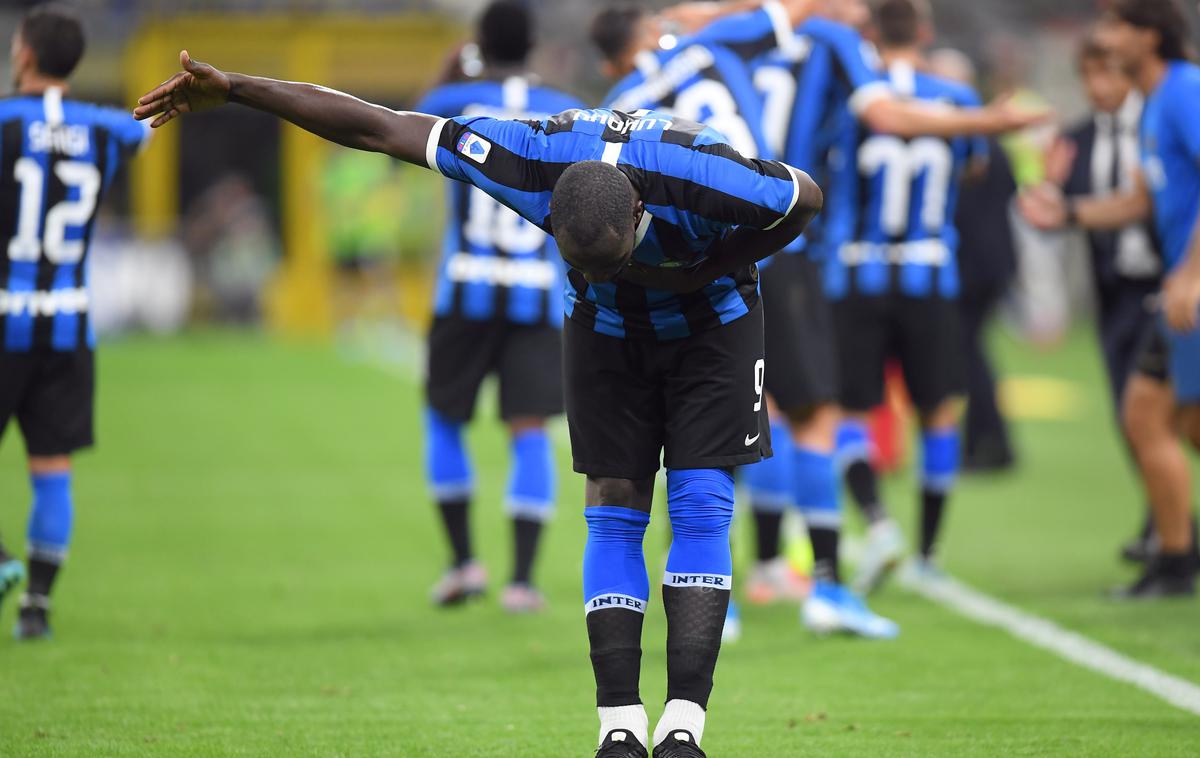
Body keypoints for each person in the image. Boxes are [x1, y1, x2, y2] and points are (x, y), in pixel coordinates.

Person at [133, 53, 823, 758]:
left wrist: (709, 268)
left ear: (643, 210)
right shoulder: (525, 160)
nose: (602, 270)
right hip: (605, 332)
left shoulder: (707, 176)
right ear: (548, 214)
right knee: (614, 502)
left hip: (714, 327)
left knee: (701, 501)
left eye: (612, 262)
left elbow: (806, 197)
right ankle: (618, 728)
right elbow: (379, 128)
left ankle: (683, 729)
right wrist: (242, 88)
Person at [1020, 0, 1200, 597]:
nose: (1105, 36)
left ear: (1148, 36)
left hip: (1188, 287)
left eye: (1117, 25)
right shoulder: (1153, 101)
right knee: (1170, 419)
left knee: (1147, 415)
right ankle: (1174, 558)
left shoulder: (1183, 90)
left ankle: (1174, 562)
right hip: (1178, 287)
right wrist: (1068, 211)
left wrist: (1191, 274)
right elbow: (1144, 201)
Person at [414, 1, 583, 613]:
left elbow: (408, 119)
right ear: (535, 46)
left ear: (478, 42)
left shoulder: (452, 100)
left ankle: (463, 565)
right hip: (537, 292)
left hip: (463, 285)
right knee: (530, 430)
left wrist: (450, 73)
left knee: (444, 419)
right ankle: (522, 581)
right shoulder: (565, 109)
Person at [822, 0, 987, 590]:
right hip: (929, 272)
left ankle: (876, 522)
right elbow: (971, 166)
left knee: (847, 412)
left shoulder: (849, 94)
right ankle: (928, 554)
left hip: (856, 273)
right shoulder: (957, 98)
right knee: (937, 412)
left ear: (868, 33)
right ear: (924, 31)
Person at [0, 5, 150, 640]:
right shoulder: (109, 130)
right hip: (69, 324)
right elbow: (141, 131)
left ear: (25, 55)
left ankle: (3, 561)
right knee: (52, 467)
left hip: (4, 318)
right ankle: (37, 607)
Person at [928, 48, 1019, 474]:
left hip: (970, 265)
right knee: (972, 351)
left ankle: (988, 443)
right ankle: (989, 441)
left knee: (967, 355)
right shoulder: (987, 142)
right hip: (991, 263)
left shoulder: (961, 143)